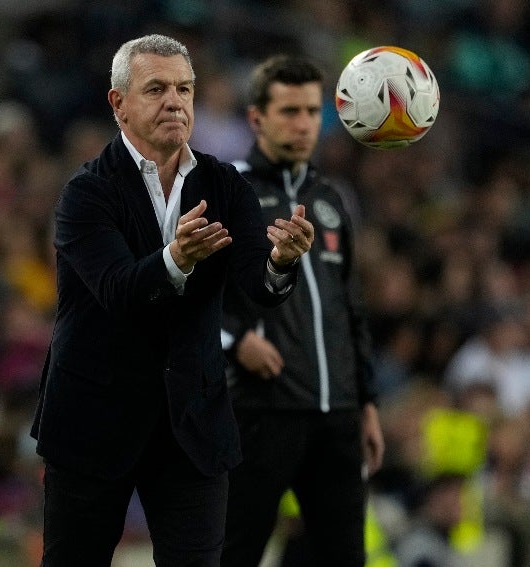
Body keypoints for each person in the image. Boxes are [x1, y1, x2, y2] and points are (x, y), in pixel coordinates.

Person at [29, 34, 314, 566]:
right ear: (119, 104)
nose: (175, 102)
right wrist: (176, 258)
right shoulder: (85, 194)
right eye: (156, 88)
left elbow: (258, 287)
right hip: (92, 421)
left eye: (184, 88)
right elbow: (119, 290)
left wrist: (282, 262)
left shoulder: (226, 185)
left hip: (192, 426)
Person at [220, 55, 384, 567]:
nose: (304, 123)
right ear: (256, 118)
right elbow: (188, 293)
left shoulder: (332, 197)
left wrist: (367, 401)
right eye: (290, 110)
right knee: (234, 552)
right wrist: (233, 341)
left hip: (336, 413)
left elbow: (350, 307)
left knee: (343, 557)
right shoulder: (227, 191)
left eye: (312, 111)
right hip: (260, 411)